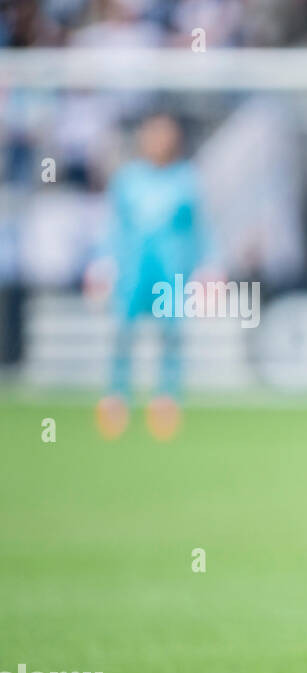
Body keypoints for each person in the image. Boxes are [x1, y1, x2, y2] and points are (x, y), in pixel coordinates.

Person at [91, 113, 205, 441]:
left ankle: (166, 401)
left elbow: (201, 229)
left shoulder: (187, 179)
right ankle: (116, 398)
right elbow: (112, 227)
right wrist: (102, 264)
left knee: (170, 335)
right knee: (123, 333)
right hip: (132, 270)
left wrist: (209, 267)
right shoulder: (128, 179)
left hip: (171, 271)